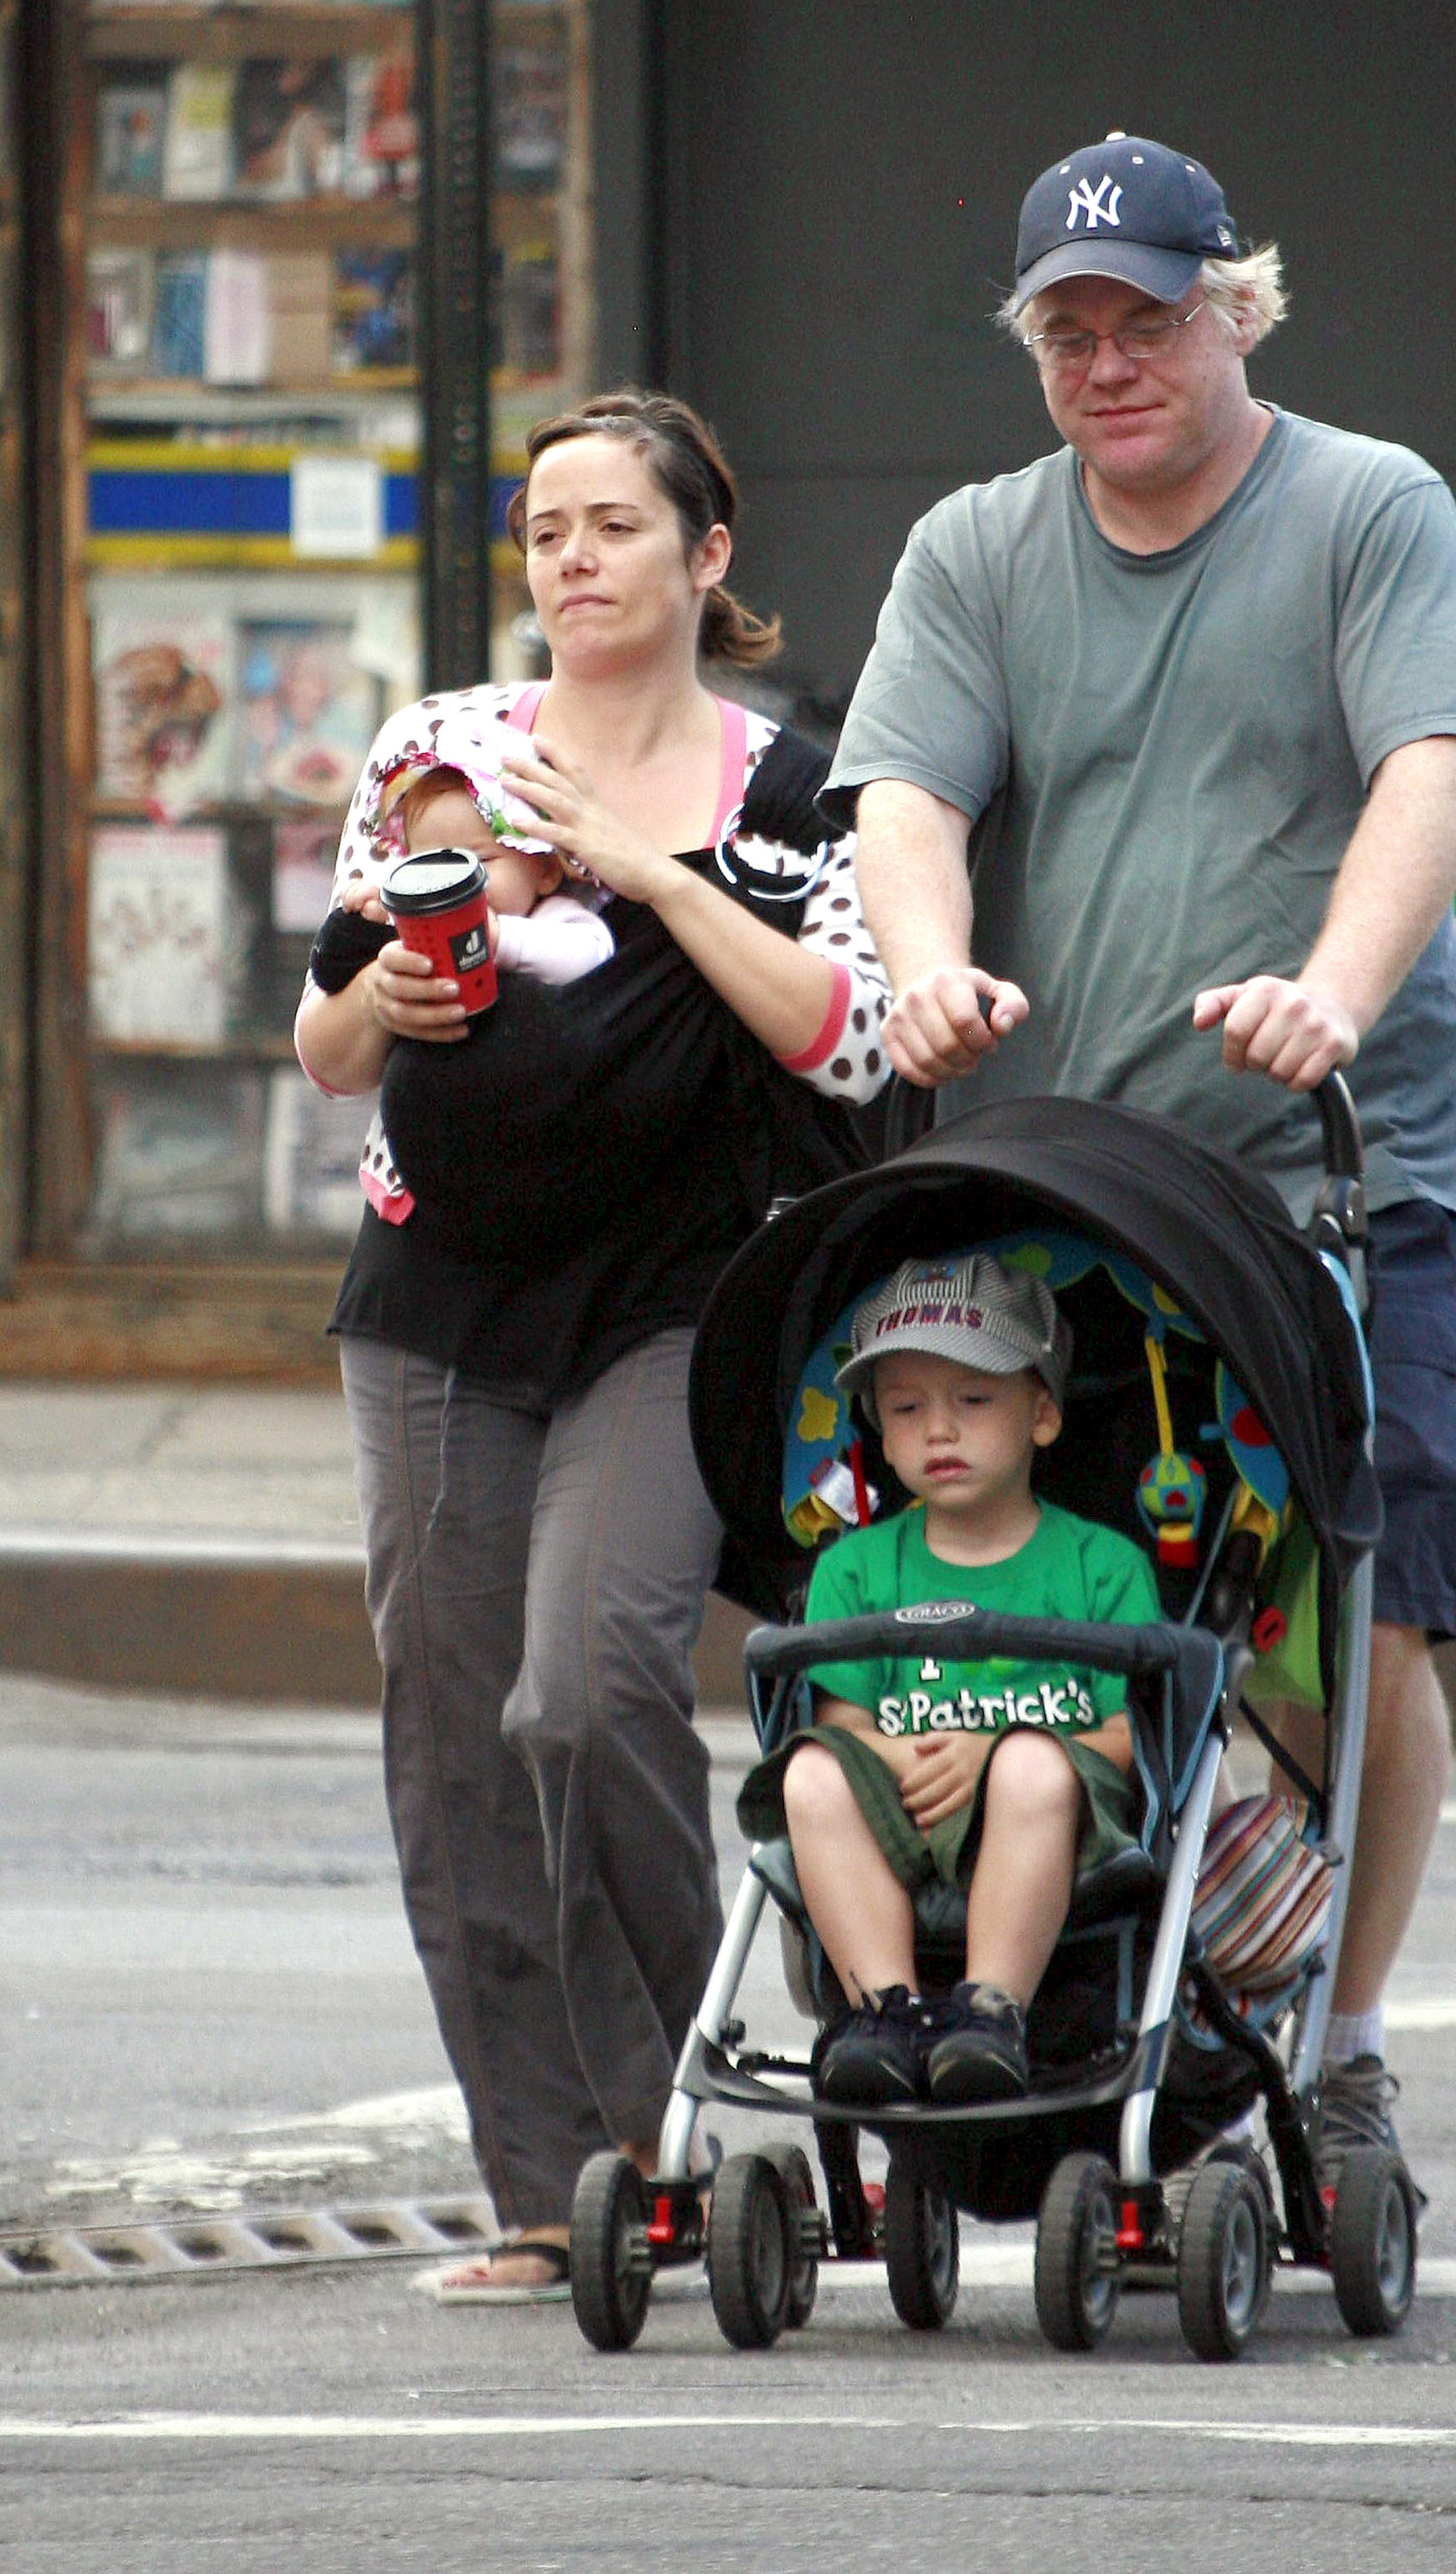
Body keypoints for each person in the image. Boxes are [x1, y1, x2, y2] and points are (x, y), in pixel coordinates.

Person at [825, 136, 1456, 2190]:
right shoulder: (974, 545)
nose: (1106, 359)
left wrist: (1330, 985)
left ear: (1235, 305)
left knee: (1361, 1614)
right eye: (1067, 330)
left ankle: (1340, 2032)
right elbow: (905, 800)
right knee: (1036, 1595)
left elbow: (1426, 769)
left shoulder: (1362, 506)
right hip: (1075, 1179)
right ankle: (1048, 1994)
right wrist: (930, 965)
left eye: (1145, 315)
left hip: (1343, 1165)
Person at [294, 389, 892, 2301]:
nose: (572, 560)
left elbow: (853, 1043)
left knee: (582, 1685)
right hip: (438, 1294)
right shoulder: (435, 752)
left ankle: (701, 2122)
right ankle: (564, 2190)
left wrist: (645, 876)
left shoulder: (791, 793)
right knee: (453, 1737)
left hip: (671, 1302)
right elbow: (321, 1051)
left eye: (614, 526)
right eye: (547, 528)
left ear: (706, 559)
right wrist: (381, 989)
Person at [737, 1254, 1160, 2109]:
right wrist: (903, 1761)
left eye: (972, 1401)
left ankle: (989, 2009)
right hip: (906, 1805)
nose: (939, 1431)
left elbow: (1134, 1737)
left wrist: (990, 1755)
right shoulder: (855, 1570)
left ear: (1041, 1414)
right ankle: (882, 2011)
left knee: (1032, 1765)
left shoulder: (1100, 1565)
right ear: (879, 1432)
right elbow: (842, 1720)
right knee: (812, 1770)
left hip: (1056, 1824)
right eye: (906, 1408)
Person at [316, 758, 618, 993]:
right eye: (429, 864)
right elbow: (333, 974)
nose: (454, 881)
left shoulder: (552, 918)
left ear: (546, 872)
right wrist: (371, 921)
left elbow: (591, 959)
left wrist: (498, 938)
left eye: (479, 860)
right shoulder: (420, 926)